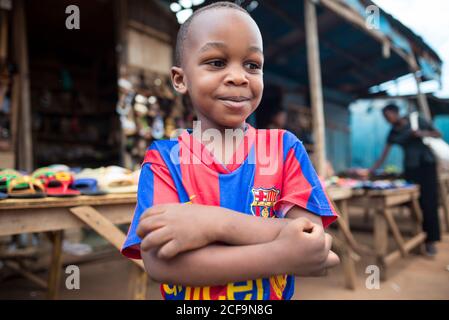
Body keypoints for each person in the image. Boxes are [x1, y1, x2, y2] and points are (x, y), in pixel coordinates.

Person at [121, 1, 339, 300]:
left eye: (253, 65)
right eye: (217, 62)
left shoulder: (285, 149)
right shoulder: (164, 160)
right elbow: (159, 263)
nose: (239, 76)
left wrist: (212, 224)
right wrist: (280, 251)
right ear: (180, 79)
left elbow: (312, 243)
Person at [369, 104, 442, 256]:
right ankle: (418, 235)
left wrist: (421, 133)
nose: (386, 119)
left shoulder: (416, 120)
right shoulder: (393, 132)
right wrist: (371, 171)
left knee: (429, 202)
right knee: (414, 203)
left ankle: (431, 241)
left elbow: (437, 133)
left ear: (394, 112)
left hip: (427, 166)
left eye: (387, 115)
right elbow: (384, 154)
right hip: (411, 169)